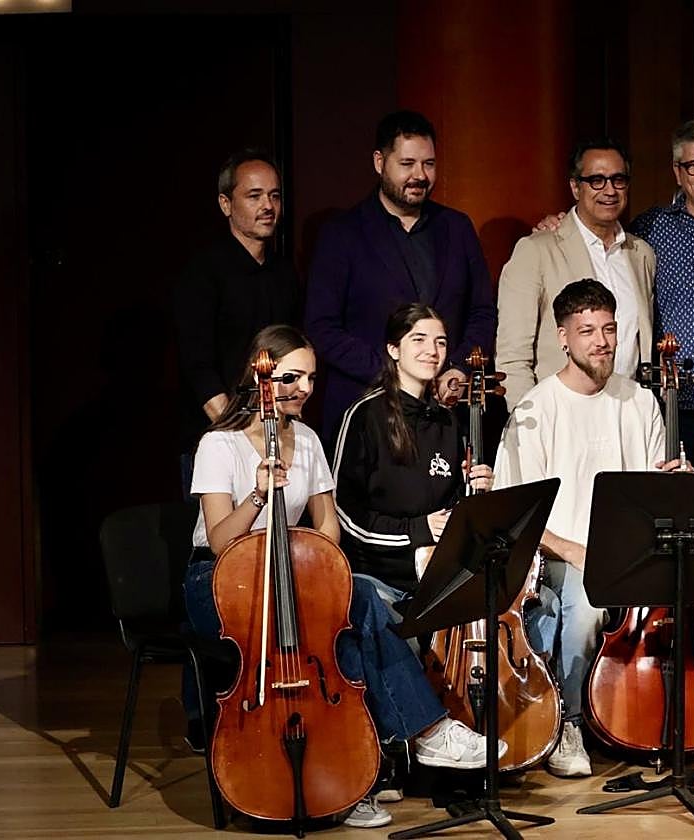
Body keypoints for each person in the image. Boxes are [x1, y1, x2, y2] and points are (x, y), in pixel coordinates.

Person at [183, 324, 499, 829]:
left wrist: (321, 572)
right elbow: (222, 542)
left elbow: (327, 524)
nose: (304, 389)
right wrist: (261, 494)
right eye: (291, 377)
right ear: (260, 376)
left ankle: (355, 778)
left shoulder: (306, 439)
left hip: (290, 570)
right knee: (366, 603)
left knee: (353, 617)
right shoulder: (218, 444)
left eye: (310, 378)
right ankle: (424, 736)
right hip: (222, 580)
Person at [494, 279, 694, 778]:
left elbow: (657, 490)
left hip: (640, 554)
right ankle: (570, 724)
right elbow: (517, 514)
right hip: (567, 558)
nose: (601, 341)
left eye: (608, 328)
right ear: (563, 338)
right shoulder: (536, 411)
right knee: (586, 615)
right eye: (587, 331)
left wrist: (683, 484)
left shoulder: (640, 401)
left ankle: (666, 714)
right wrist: (580, 551)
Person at [304, 110, 496, 444]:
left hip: (444, 415)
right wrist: (397, 374)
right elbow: (322, 327)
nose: (420, 175)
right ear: (380, 162)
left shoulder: (457, 228)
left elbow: (482, 312)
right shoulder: (343, 234)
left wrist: (455, 367)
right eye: (407, 164)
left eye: (429, 164)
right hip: (368, 414)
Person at [332, 303, 493, 600]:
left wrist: (473, 493)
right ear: (394, 349)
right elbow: (344, 510)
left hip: (439, 573)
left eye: (440, 342)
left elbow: (453, 508)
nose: (432, 350)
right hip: (381, 578)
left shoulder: (447, 420)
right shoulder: (365, 415)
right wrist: (418, 530)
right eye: (418, 339)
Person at [496, 138, 655, 410]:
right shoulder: (536, 251)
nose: (609, 190)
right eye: (596, 180)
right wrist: (527, 421)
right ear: (574, 187)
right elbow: (513, 356)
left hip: (627, 412)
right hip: (559, 414)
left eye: (618, 180)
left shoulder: (641, 253)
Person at [173, 150, 300, 451]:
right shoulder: (202, 272)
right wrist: (238, 435)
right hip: (216, 436)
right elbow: (197, 366)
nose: (268, 206)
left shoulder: (285, 272)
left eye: (274, 196)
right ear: (226, 204)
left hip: (275, 432)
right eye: (254, 196)